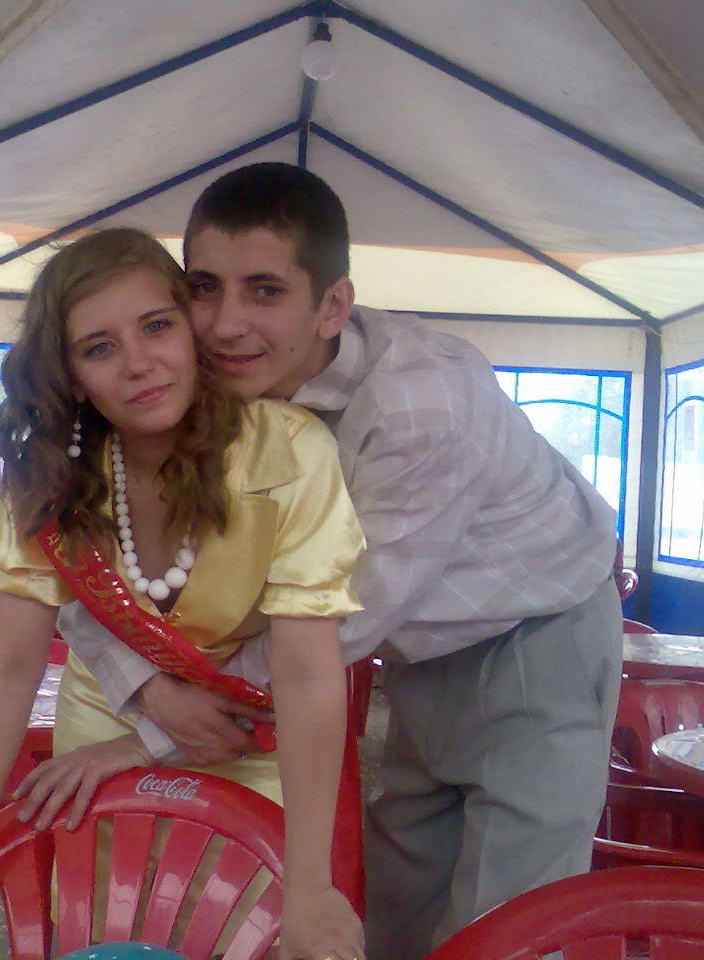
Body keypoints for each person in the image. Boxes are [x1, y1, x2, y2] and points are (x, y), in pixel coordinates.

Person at [70, 163, 624, 960]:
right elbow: (77, 553)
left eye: (265, 290)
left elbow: (332, 626)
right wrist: (147, 687)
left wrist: (152, 734)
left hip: (536, 642)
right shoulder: (198, 384)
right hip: (415, 655)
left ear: (333, 306)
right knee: (398, 902)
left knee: (504, 927)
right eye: (204, 288)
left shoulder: (421, 404)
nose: (225, 325)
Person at [0, 227, 366, 960]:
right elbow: (9, 667)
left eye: (157, 327)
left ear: (191, 330)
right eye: (99, 348)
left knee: (250, 933)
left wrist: (311, 887)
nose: (139, 363)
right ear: (70, 375)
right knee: (109, 928)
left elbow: (306, 673)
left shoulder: (288, 452)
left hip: (259, 744)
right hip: (103, 723)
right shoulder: (44, 479)